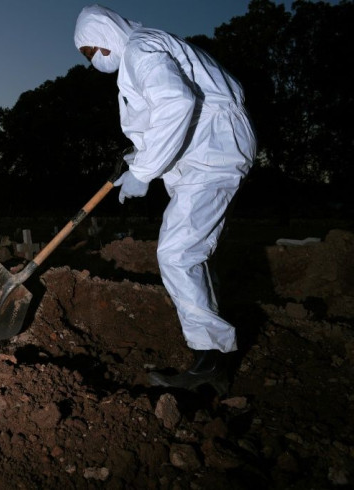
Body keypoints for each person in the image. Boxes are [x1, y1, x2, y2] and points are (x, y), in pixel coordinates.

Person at [74, 5, 257, 394]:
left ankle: (210, 361)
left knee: (176, 253)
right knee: (189, 252)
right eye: (88, 57)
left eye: (94, 51)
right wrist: (138, 159)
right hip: (203, 151)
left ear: (107, 35)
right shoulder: (144, 48)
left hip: (213, 150)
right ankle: (213, 350)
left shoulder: (140, 51)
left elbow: (177, 104)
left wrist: (143, 172)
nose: (95, 62)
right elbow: (161, 115)